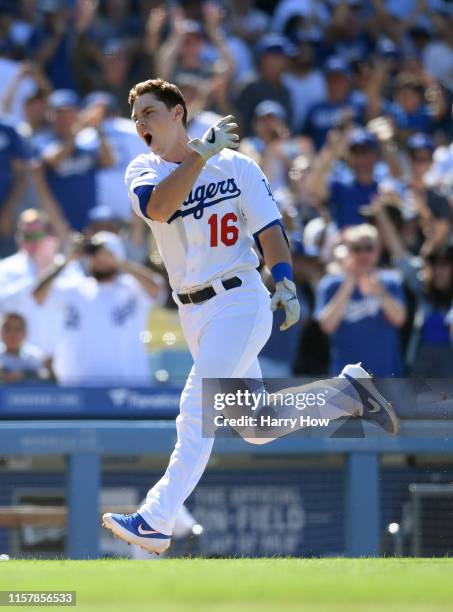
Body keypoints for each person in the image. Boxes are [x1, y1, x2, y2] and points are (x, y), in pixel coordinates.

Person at [101, 77, 399, 555]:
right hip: (193, 312)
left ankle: (156, 519)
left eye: (150, 113)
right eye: (136, 118)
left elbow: (270, 228)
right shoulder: (143, 167)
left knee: (196, 410)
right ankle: (347, 393)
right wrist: (199, 153)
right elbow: (159, 207)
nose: (141, 124)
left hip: (239, 300)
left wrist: (283, 279)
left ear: (178, 113)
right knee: (257, 424)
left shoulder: (235, 164)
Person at [33, 231, 165, 385]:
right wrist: (66, 260)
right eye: (94, 252)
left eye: (104, 252)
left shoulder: (132, 287)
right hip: (77, 389)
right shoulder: (74, 288)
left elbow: (158, 290)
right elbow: (37, 295)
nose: (98, 258)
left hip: (129, 389)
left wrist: (120, 263)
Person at [315, 223, 406, 376]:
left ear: (377, 251)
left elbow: (399, 319)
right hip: (345, 377)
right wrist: (349, 282)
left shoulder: (390, 281)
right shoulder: (331, 284)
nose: (363, 254)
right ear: (348, 251)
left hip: (386, 375)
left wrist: (379, 291)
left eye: (368, 248)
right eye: (357, 248)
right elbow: (327, 326)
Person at [0, 312, 51, 384]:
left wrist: (24, 375)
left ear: (25, 332)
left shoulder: (37, 356)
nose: (12, 334)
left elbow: (49, 378)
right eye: (7, 329)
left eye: (18, 329)